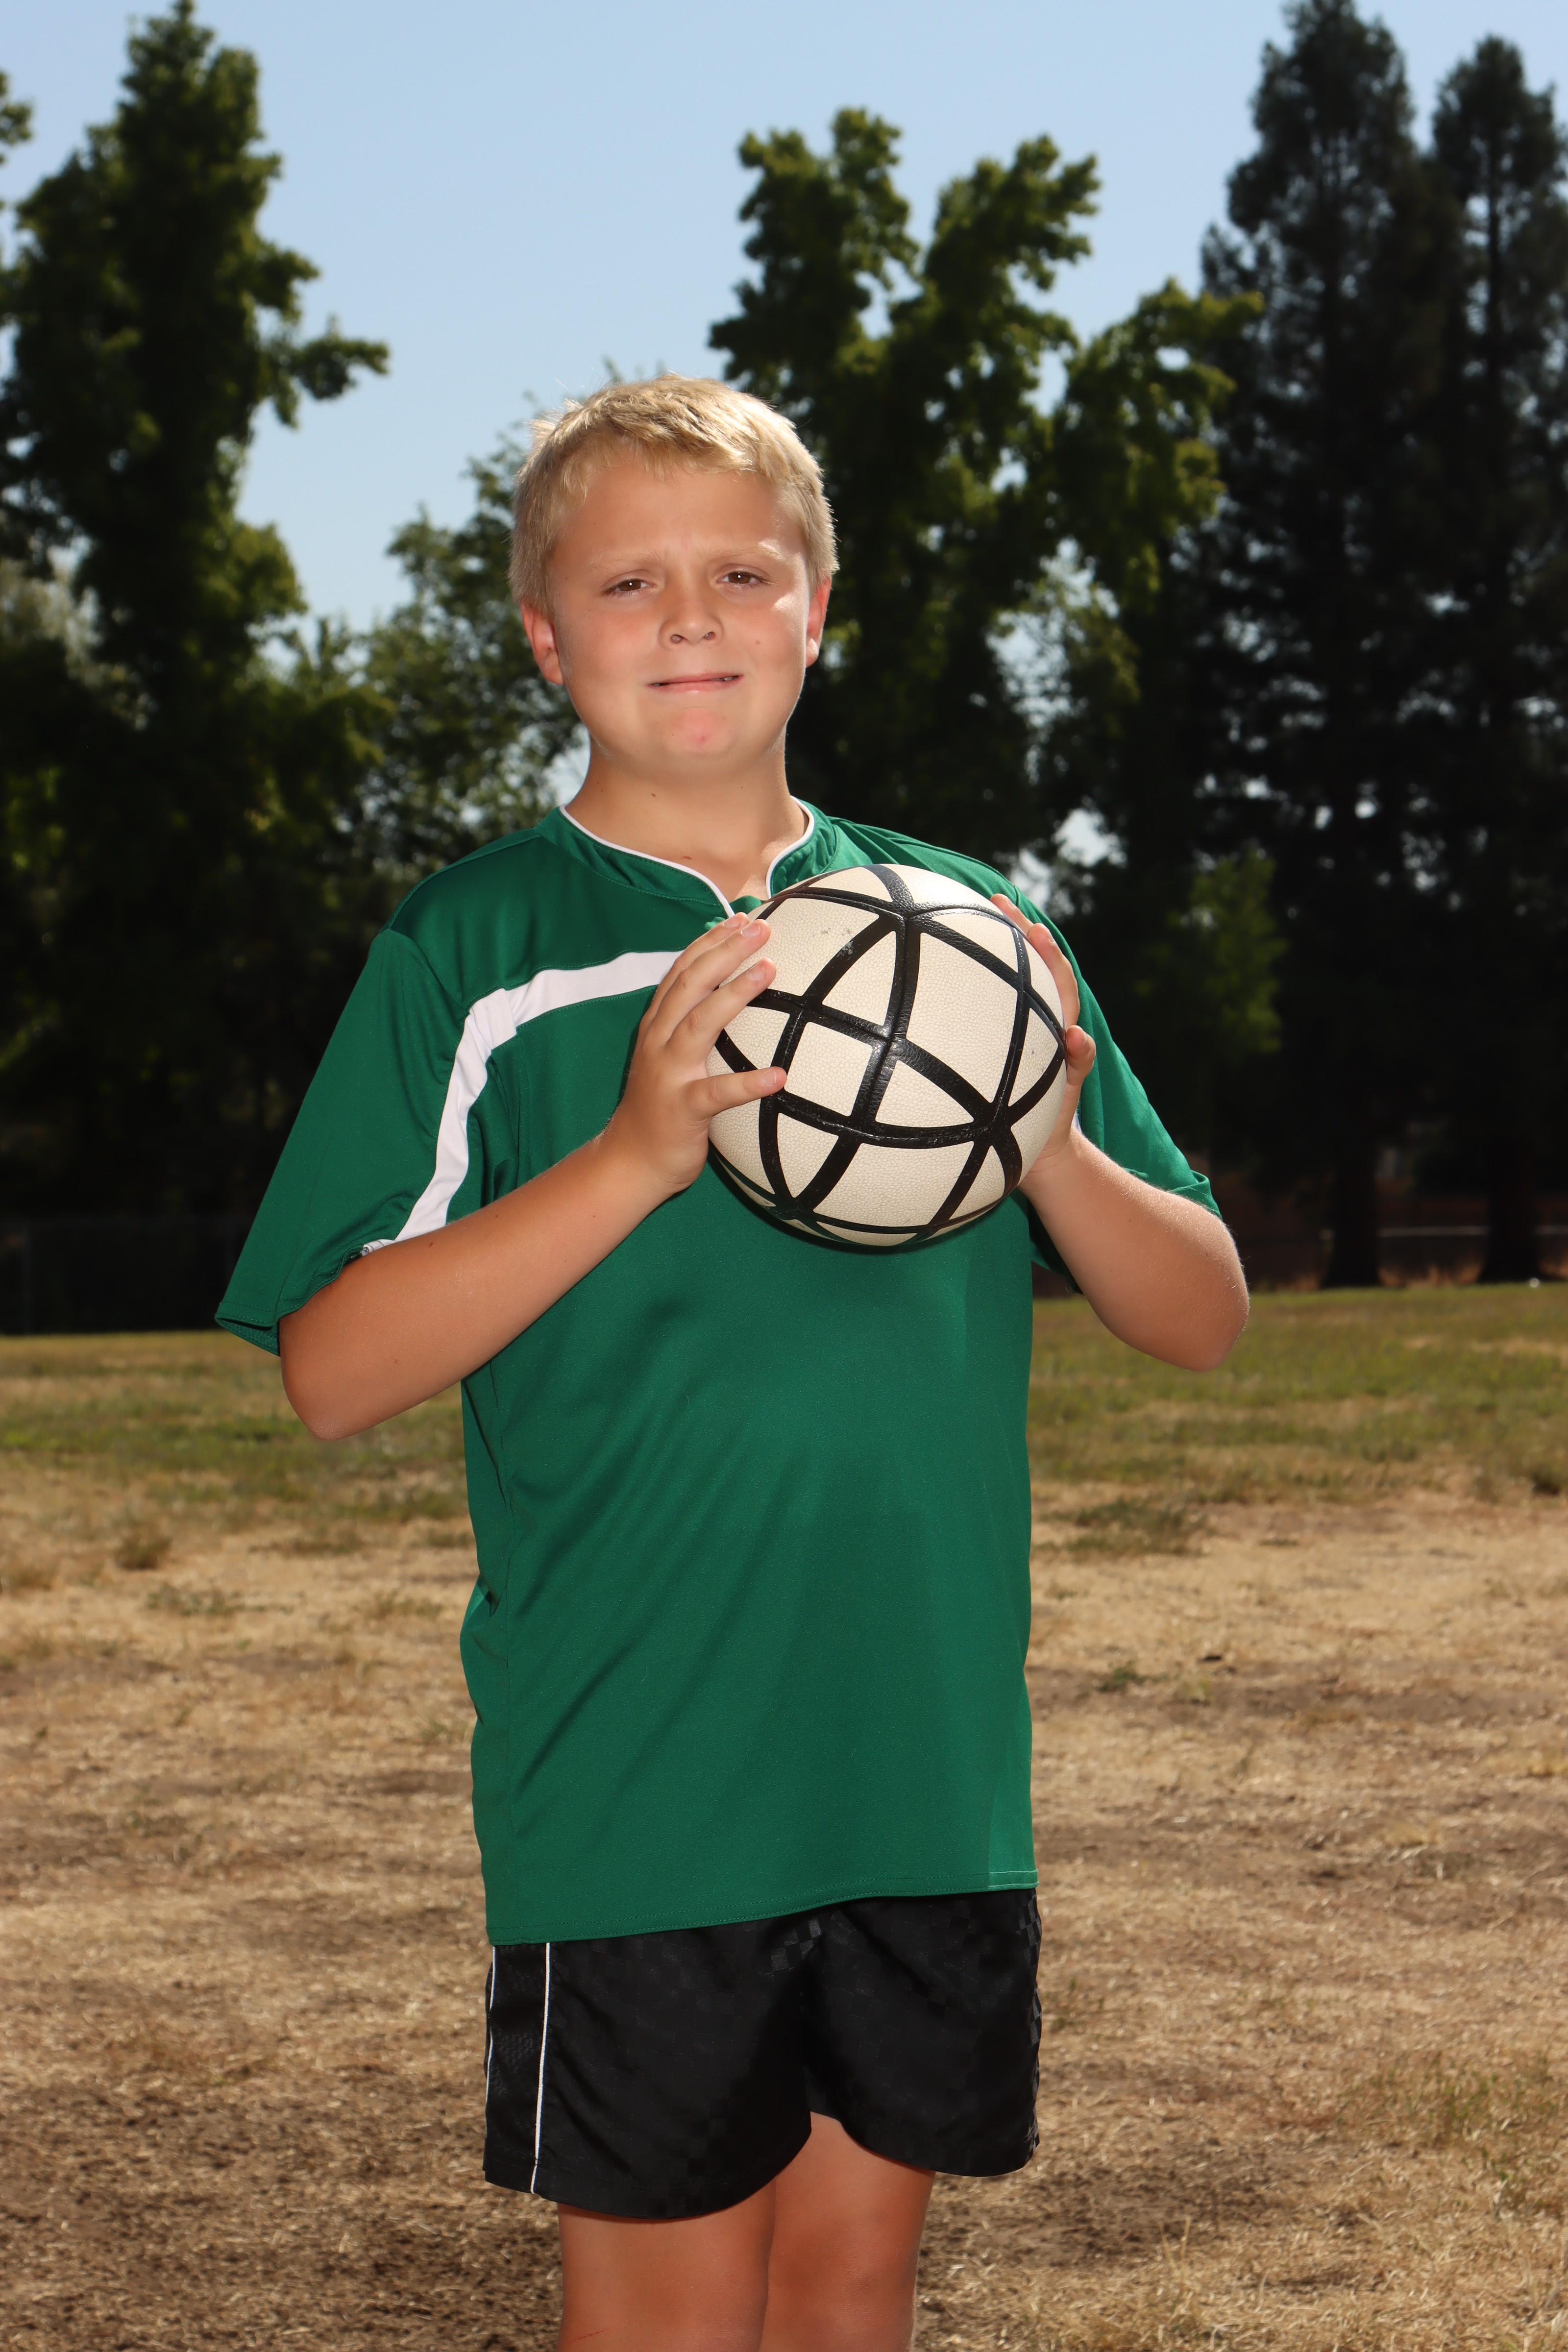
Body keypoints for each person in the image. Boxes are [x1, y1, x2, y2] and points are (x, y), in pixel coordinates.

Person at [218, 375, 1248, 2352]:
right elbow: (332, 1368)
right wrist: (630, 1156)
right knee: (671, 2315)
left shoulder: (968, 937)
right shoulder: (479, 951)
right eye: (627, 582)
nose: (688, 616)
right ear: (544, 636)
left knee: (848, 2290)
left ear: (817, 607)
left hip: (918, 1764)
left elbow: (1198, 1311)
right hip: (641, 1781)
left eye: (741, 574)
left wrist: (1042, 1139)